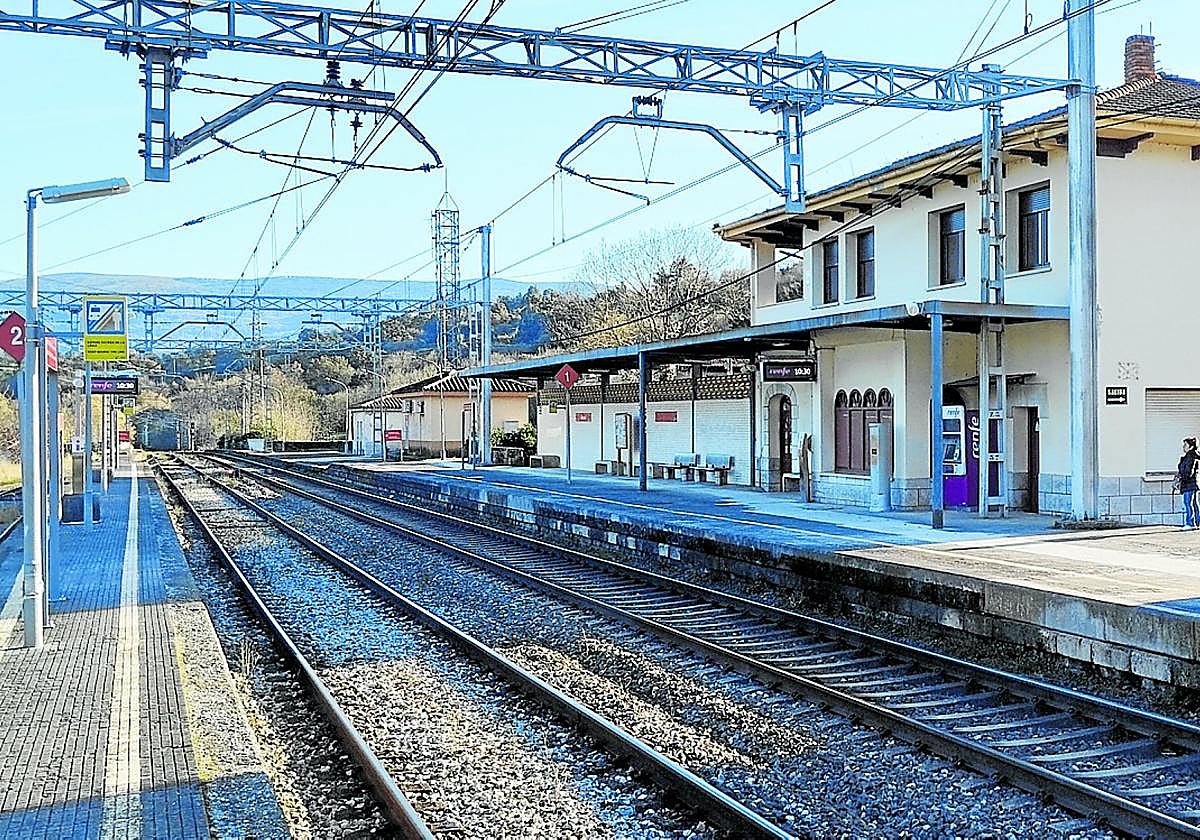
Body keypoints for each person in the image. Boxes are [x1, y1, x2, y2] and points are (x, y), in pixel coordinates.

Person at [1178, 438, 1200, 529]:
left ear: (1191, 447)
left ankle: (1190, 523)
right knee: (1194, 504)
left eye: (1185, 445)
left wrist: (1181, 477)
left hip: (1189, 484)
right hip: (1192, 484)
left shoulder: (1191, 457)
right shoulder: (1190, 456)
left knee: (1188, 503)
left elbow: (1189, 472)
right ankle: (1197, 523)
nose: (1183, 447)